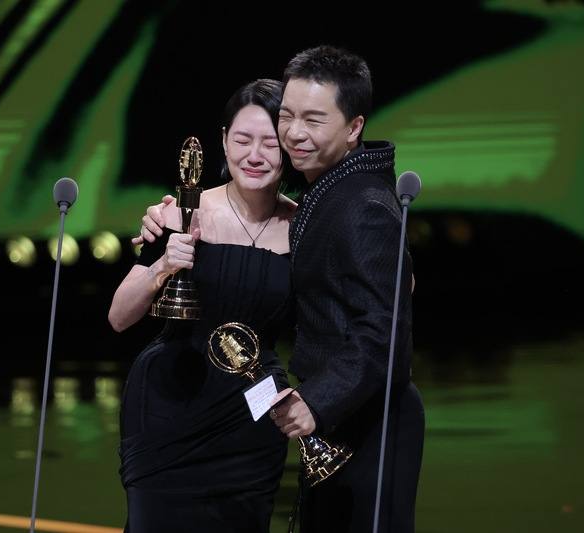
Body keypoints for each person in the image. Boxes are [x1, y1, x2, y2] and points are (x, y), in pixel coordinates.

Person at [108, 78, 298, 533]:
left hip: (254, 413)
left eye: (270, 143)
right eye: (242, 139)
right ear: (223, 142)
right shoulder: (179, 213)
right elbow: (118, 316)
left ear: (289, 147)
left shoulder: (304, 227)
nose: (255, 155)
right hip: (168, 405)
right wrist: (161, 269)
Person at [268, 45, 424, 533]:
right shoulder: (330, 190)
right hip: (340, 417)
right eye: (287, 115)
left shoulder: (363, 205)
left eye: (314, 120)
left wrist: (317, 401)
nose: (294, 132)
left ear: (353, 128)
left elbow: (385, 332)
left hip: (369, 421)